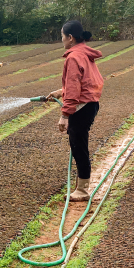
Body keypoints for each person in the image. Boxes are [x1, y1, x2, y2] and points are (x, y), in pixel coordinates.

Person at [47, 20, 104, 201]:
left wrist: (64, 115)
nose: (62, 40)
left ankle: (82, 190)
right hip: (90, 103)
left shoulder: (73, 57)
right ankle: (82, 187)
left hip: (81, 106)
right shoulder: (84, 53)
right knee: (79, 144)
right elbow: (85, 81)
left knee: (78, 146)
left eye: (62, 36)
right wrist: (60, 92)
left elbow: (74, 88)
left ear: (70, 38)